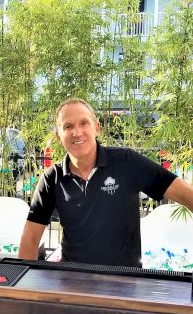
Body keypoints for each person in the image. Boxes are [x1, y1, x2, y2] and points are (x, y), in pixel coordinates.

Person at [19, 98, 193, 267]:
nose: (77, 132)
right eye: (68, 126)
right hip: (72, 280)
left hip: (124, 282)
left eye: (84, 123)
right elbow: (31, 237)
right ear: (58, 136)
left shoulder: (126, 162)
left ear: (97, 127)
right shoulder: (52, 178)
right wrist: (21, 289)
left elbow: (186, 195)